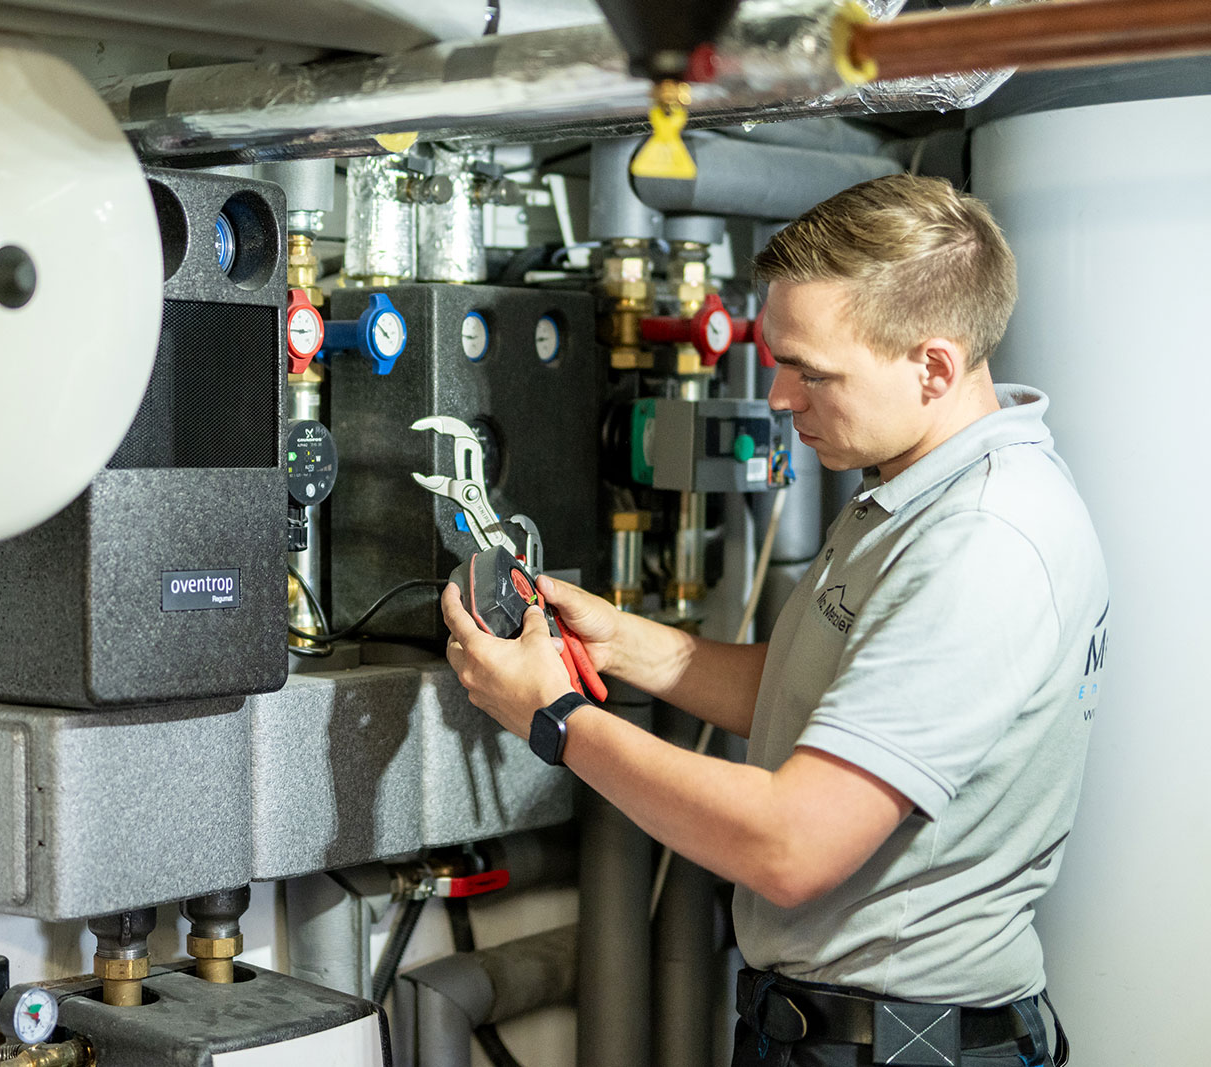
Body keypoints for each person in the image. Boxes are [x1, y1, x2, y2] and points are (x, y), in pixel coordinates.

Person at [441, 174, 1105, 1067]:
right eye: (779, 360)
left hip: (901, 1046)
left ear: (934, 366)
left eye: (811, 372)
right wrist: (629, 644)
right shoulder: (913, 488)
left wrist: (555, 719)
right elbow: (824, 693)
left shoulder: (982, 542)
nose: (782, 398)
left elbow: (791, 844)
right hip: (828, 1030)